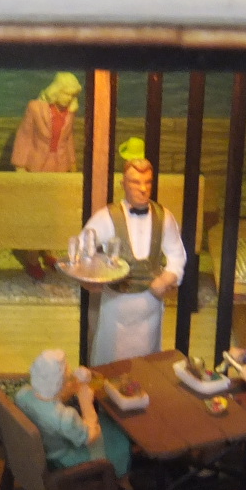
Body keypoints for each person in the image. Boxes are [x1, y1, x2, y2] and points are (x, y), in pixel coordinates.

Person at [81, 156, 186, 365]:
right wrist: (93, 276)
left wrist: (166, 279)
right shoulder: (107, 217)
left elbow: (177, 255)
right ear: (123, 184)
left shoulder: (164, 217)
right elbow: (84, 248)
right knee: (111, 362)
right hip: (116, 306)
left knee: (146, 363)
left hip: (149, 307)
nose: (143, 189)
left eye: (148, 182)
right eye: (136, 182)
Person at [8, 72, 83, 279]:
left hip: (59, 166)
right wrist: (20, 165)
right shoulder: (35, 108)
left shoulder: (70, 112)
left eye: (72, 95)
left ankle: (47, 250)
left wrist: (72, 164)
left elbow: (68, 139)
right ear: (56, 91)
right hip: (37, 165)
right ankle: (32, 257)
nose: (69, 99)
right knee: (35, 213)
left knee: (54, 212)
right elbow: (24, 135)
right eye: (66, 94)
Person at [14, 349, 132, 478]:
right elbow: (90, 437)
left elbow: (51, 398)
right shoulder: (65, 418)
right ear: (59, 384)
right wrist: (86, 404)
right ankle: (119, 476)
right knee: (121, 438)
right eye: (67, 378)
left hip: (43, 447)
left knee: (107, 422)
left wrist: (74, 385)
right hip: (63, 460)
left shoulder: (22, 394)